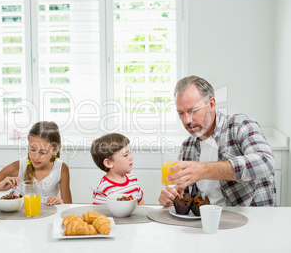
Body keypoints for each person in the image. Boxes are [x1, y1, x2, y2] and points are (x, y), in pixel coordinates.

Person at [158, 75, 276, 207]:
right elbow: (187, 197)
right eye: (181, 113)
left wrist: (203, 170)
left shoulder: (239, 125)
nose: (187, 120)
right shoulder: (188, 146)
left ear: (212, 104)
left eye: (193, 111)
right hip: (207, 222)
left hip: (252, 220)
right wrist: (173, 199)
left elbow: (266, 162)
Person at [0, 121, 72, 206]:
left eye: (43, 152)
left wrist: (60, 202)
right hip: (23, 217)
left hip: (50, 217)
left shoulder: (61, 168)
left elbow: (68, 205)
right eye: (32, 150)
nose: (36, 157)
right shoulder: (19, 166)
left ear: (56, 150)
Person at [91, 133, 145, 205]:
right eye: (125, 155)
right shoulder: (104, 188)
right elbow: (99, 214)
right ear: (108, 163)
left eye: (130, 153)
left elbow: (142, 206)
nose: (131, 157)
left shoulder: (133, 179)